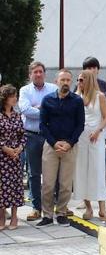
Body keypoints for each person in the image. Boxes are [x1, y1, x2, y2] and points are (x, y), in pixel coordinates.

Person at [37, 69, 85, 227]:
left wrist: (69, 143)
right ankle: (47, 215)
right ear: (56, 81)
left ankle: (62, 213)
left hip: (69, 147)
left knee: (65, 184)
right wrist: (53, 143)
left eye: (68, 80)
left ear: (71, 82)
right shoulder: (47, 100)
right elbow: (42, 125)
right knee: (48, 184)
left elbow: (80, 125)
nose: (65, 82)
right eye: (62, 80)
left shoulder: (77, 101)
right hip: (51, 146)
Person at [18, 61, 58, 222]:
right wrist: (45, 110)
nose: (38, 74)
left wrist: (39, 109)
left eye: (41, 71)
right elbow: (25, 110)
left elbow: (57, 110)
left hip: (49, 136)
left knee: (51, 173)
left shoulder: (53, 89)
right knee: (34, 174)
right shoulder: (25, 90)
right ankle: (36, 208)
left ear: (44, 73)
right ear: (30, 74)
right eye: (35, 72)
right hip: (32, 135)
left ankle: (50, 206)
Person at [73, 70, 106, 220]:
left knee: (98, 171)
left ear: (89, 80)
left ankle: (102, 209)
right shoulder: (76, 98)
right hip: (80, 138)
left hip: (96, 138)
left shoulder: (100, 96)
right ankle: (88, 208)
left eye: (81, 80)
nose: (79, 82)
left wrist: (98, 131)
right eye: (78, 80)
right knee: (81, 172)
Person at [0, 85, 26, 230]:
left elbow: (23, 135)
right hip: (2, 157)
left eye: (16, 95)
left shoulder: (17, 116)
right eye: (12, 96)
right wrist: (5, 148)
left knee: (16, 185)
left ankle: (15, 217)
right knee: (2, 186)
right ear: (5, 98)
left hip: (16, 157)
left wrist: (20, 148)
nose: (15, 98)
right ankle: (2, 216)